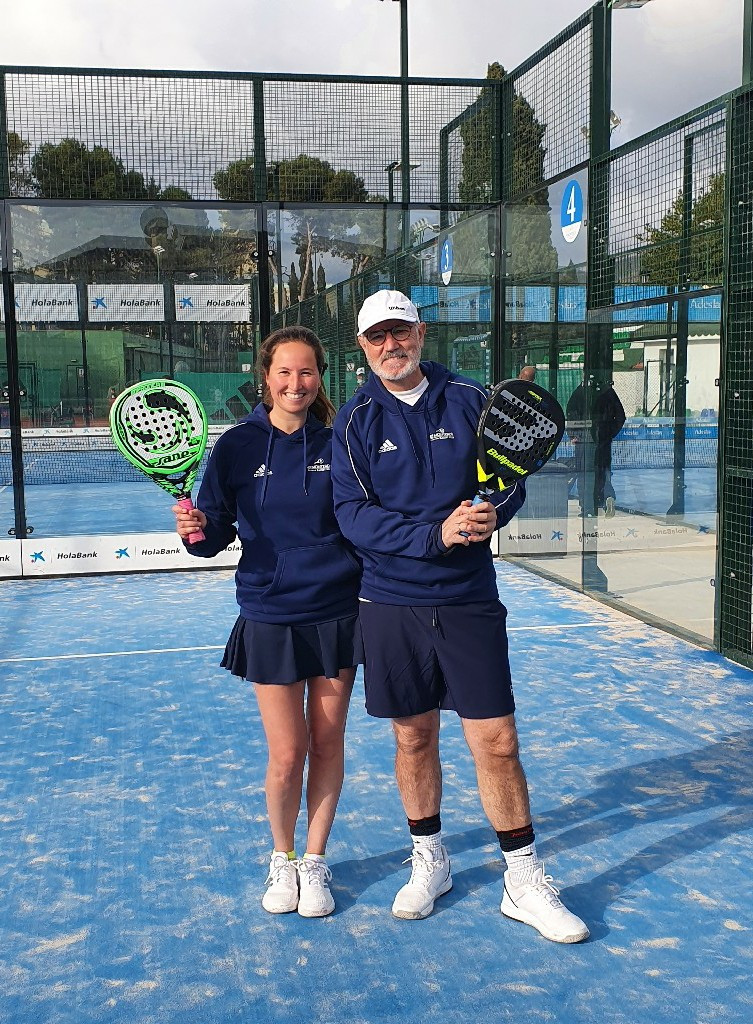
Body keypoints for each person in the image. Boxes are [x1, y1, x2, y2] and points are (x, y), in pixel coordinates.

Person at [331, 290, 589, 943]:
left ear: (420, 333)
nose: (391, 345)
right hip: (389, 602)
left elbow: (511, 477)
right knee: (412, 738)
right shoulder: (355, 419)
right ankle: (430, 861)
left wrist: (493, 512)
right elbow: (352, 515)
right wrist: (434, 534)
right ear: (363, 346)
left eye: (400, 332)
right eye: (377, 337)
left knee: (496, 741)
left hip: (468, 599)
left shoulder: (473, 398)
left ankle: (522, 880)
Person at [174, 326, 362, 919]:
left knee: (327, 743)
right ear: (266, 376)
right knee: (288, 753)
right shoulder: (236, 446)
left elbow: (361, 522)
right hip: (270, 613)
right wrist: (196, 531)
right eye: (285, 372)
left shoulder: (339, 444)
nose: (295, 383)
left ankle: (315, 860)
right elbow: (214, 532)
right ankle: (283, 857)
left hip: (335, 613)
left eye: (306, 372)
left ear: (320, 377)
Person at [566, 382, 626, 517]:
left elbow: (570, 414)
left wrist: (573, 434)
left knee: (585, 475)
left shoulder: (579, 392)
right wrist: (609, 434)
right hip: (603, 441)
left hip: (584, 441)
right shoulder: (608, 392)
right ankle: (608, 497)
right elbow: (620, 416)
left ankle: (587, 509)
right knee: (603, 472)